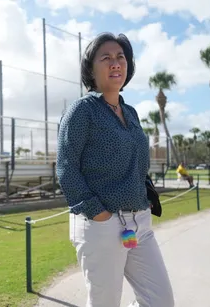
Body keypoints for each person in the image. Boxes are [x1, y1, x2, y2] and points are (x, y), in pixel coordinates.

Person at [56, 32, 174, 307]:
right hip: (101, 226)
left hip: (138, 225)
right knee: (105, 303)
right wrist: (98, 213)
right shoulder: (82, 111)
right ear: (91, 67)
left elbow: (138, 164)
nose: (115, 63)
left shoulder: (130, 112)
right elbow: (66, 167)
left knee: (160, 301)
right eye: (106, 57)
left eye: (121, 57)